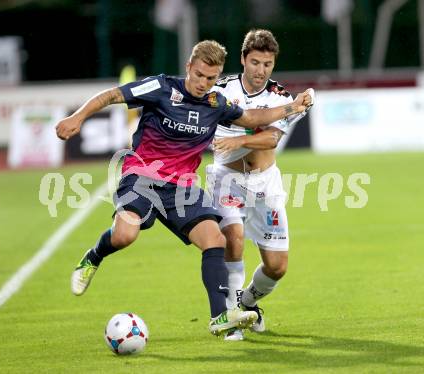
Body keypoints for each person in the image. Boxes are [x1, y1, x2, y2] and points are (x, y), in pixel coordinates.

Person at [55, 39, 311, 337]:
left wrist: (291, 106)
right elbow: (113, 94)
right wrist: (78, 117)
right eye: (199, 75)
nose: (204, 83)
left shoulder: (216, 104)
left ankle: (219, 317)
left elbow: (253, 118)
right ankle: (94, 257)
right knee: (125, 236)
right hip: (142, 176)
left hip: (181, 187)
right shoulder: (161, 88)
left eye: (211, 78)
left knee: (216, 240)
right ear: (189, 67)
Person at [207, 30, 314, 340]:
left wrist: (241, 138)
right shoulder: (222, 91)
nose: (260, 70)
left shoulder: (280, 97)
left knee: (277, 266)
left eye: (267, 64)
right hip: (227, 179)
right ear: (243, 60)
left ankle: (246, 302)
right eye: (255, 62)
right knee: (234, 238)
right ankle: (230, 317)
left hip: (266, 184)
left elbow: (272, 138)